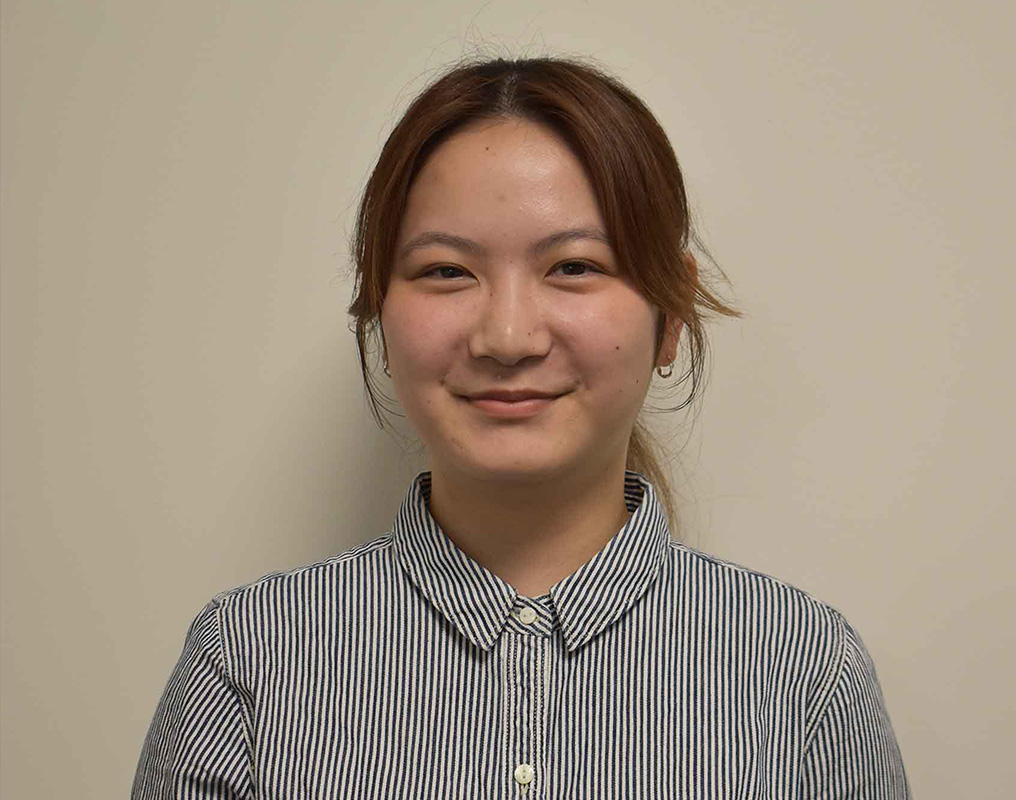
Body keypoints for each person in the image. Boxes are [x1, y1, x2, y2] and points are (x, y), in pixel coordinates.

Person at [132, 56, 909, 798]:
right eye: (446, 271)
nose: (507, 337)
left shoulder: (803, 672)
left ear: (670, 315)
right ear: (378, 307)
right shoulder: (246, 661)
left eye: (573, 266)